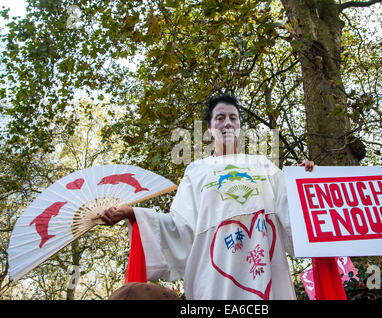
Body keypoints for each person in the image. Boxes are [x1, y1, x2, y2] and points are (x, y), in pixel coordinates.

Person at [101, 94, 314, 300]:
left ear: (240, 127)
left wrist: (303, 181)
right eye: (220, 118)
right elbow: (179, 225)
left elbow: (290, 206)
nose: (227, 123)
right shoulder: (197, 170)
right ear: (210, 128)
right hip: (214, 273)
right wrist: (135, 214)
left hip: (264, 263)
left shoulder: (262, 164)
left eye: (233, 118)